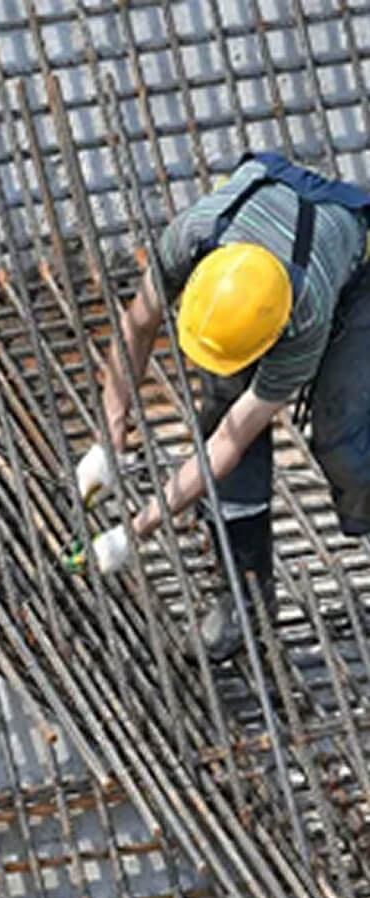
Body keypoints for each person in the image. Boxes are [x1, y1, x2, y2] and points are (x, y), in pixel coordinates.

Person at [68, 151, 370, 661]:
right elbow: (137, 326)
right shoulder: (194, 236)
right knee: (222, 398)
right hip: (270, 243)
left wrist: (135, 531)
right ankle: (246, 596)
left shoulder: (307, 312)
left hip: (357, 270)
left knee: (344, 442)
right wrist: (109, 438)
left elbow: (229, 444)